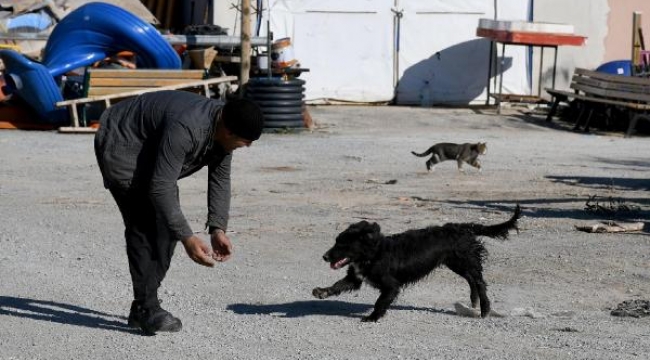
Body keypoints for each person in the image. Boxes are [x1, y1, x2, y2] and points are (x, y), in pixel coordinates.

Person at [94, 90, 264, 335]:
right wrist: (188, 237)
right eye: (246, 141)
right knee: (145, 223)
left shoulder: (223, 125)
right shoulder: (187, 128)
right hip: (123, 140)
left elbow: (220, 178)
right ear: (228, 131)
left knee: (167, 226)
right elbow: (161, 187)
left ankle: (144, 305)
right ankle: (146, 307)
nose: (247, 146)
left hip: (150, 146)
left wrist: (218, 228)